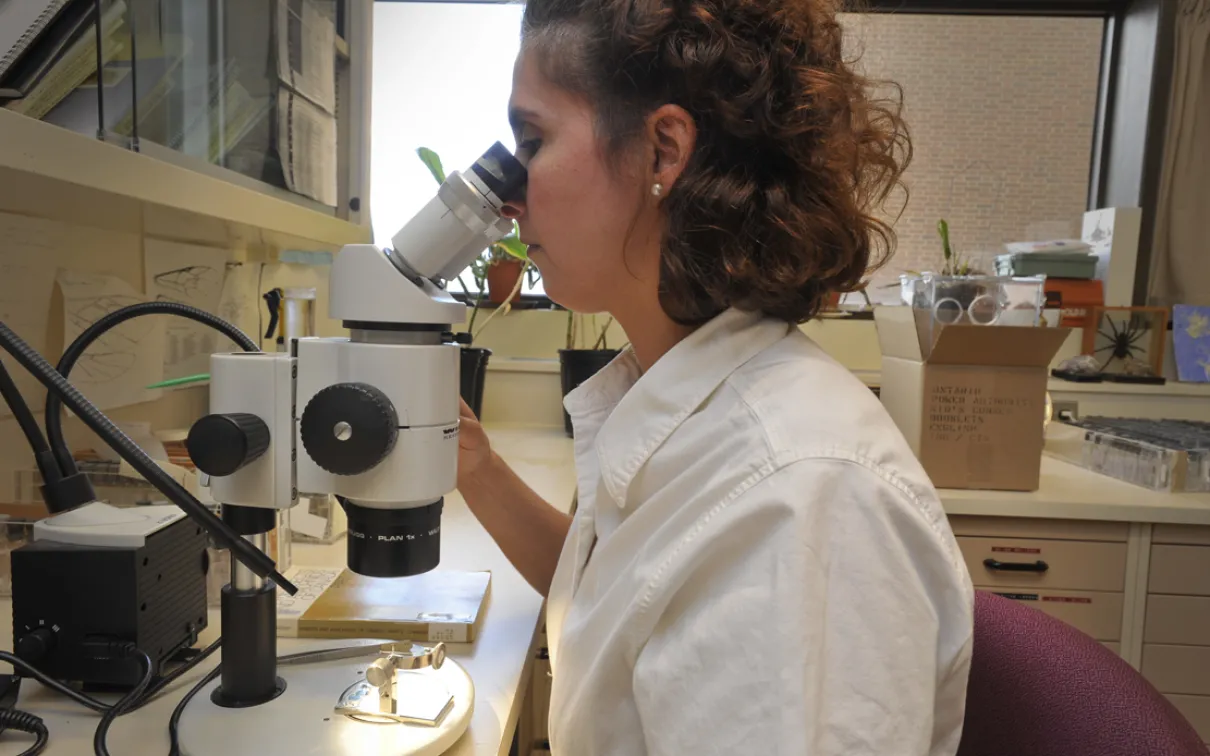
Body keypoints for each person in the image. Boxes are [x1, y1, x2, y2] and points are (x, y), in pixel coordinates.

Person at [455, 0, 975, 751]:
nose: (508, 197)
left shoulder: (797, 502)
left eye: (532, 140)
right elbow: (622, 598)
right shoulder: (685, 396)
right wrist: (476, 468)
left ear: (664, 151)